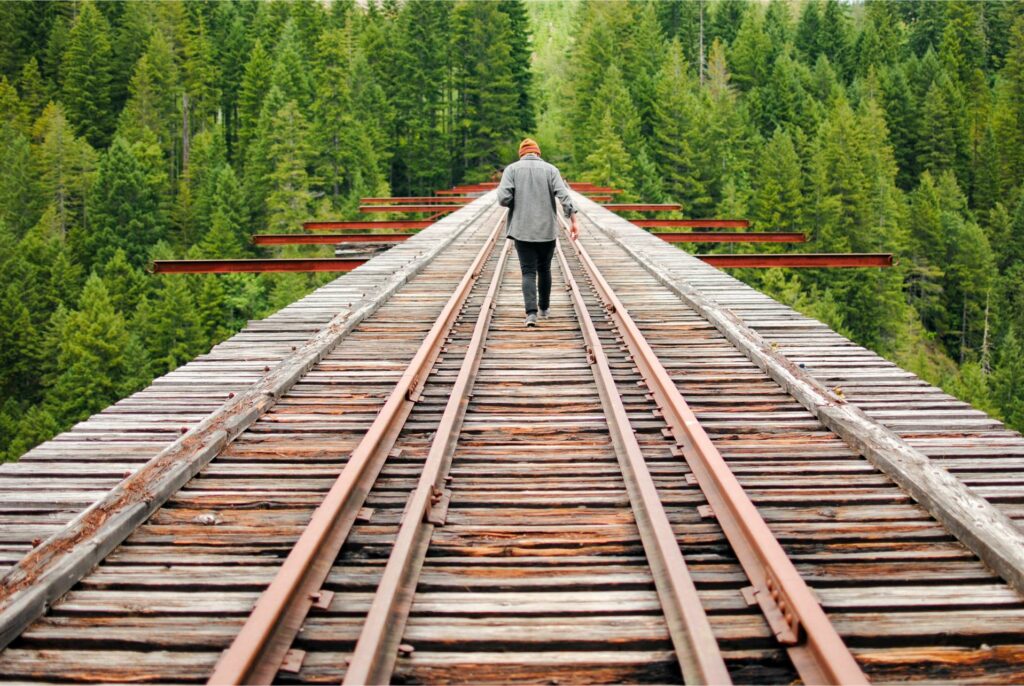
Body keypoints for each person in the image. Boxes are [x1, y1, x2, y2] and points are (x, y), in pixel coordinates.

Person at [496, 138, 580, 327]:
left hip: (522, 229)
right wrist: (574, 220)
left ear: (521, 153)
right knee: (545, 269)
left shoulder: (511, 170)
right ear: (538, 153)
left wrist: (515, 197)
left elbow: (503, 198)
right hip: (546, 230)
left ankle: (531, 314)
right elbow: (564, 196)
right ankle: (544, 308)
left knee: (528, 271)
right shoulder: (551, 170)